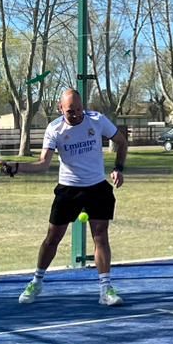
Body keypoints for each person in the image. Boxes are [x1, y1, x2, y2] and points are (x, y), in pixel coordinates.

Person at [15, 88, 129, 307]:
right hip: (68, 189)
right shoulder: (54, 129)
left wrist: (118, 168)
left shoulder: (97, 120)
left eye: (78, 109)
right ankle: (36, 282)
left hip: (97, 188)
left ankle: (105, 290)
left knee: (100, 236)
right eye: (70, 111)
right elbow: (43, 164)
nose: (76, 114)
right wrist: (16, 167)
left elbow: (122, 142)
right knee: (52, 238)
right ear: (60, 109)